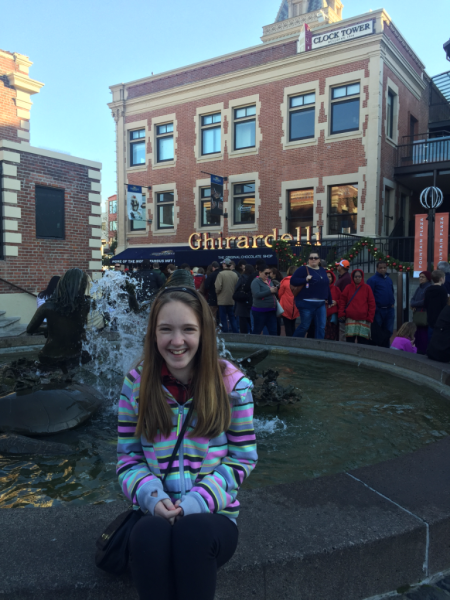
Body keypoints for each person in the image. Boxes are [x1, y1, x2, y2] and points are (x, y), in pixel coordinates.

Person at [117, 286, 257, 600]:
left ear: (204, 333)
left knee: (192, 534)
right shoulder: (136, 384)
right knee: (149, 535)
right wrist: (151, 497)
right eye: (166, 329)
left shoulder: (233, 385)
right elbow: (128, 459)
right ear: (153, 334)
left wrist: (197, 502)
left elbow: (243, 458)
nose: (177, 341)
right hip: (154, 512)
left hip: (213, 517)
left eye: (188, 330)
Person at [27, 268, 90, 365]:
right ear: (83, 286)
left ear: (62, 284)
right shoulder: (86, 304)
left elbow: (30, 329)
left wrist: (48, 329)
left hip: (50, 356)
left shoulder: (48, 306)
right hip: (75, 355)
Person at [290, 252, 332, 339]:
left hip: (320, 303)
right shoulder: (303, 269)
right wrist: (305, 279)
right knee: (305, 326)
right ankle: (293, 343)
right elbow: (293, 281)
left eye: (315, 258)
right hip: (306, 303)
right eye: (311, 258)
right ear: (308, 260)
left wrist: (329, 299)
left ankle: (318, 347)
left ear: (319, 260)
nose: (313, 259)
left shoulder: (322, 270)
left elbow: (326, 285)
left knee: (321, 327)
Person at [338, 269, 375, 344]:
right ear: (352, 277)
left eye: (359, 276)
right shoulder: (348, 287)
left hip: (364, 320)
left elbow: (372, 303)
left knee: (363, 342)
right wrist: (341, 313)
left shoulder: (367, 288)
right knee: (350, 341)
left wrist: (370, 317)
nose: (357, 278)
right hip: (350, 319)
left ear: (362, 277)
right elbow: (342, 301)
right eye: (355, 276)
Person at [366, 261, 395, 347]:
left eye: (384, 268)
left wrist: (392, 303)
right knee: (377, 330)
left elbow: (392, 291)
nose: (383, 269)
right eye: (380, 268)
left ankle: (386, 347)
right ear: (377, 269)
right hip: (379, 309)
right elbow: (369, 295)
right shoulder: (372, 280)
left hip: (389, 309)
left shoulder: (389, 279)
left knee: (389, 330)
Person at [251, 263, 278, 336]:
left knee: (273, 331)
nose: (267, 275)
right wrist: (270, 291)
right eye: (266, 273)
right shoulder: (256, 281)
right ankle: (254, 345)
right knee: (257, 331)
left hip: (271, 310)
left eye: (269, 273)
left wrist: (275, 291)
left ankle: (272, 346)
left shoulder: (269, 281)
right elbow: (256, 294)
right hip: (260, 311)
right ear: (260, 272)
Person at [410, 271, 432, 354]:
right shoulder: (419, 288)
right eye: (420, 277)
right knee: (417, 333)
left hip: (423, 315)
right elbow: (413, 298)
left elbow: (424, 301)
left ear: (427, 278)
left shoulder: (428, 288)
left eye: (423, 277)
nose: (420, 278)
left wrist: (413, 304)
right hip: (417, 314)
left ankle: (423, 350)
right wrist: (412, 303)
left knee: (423, 335)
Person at [215, 259, 239, 333]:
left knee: (223, 317)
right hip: (232, 300)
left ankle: (225, 331)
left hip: (222, 299)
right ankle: (235, 331)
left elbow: (218, 287)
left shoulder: (221, 274)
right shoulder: (235, 274)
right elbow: (237, 286)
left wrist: (217, 293)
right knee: (232, 317)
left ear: (225, 265)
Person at [424, 270, 448, 341]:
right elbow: (444, 305)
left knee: (430, 338)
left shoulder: (428, 289)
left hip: (430, 317)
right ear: (441, 279)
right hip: (440, 318)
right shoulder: (443, 290)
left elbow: (425, 303)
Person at [278, 265, 299, 337]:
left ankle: (288, 342)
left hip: (285, 306)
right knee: (293, 325)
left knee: (287, 326)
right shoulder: (299, 281)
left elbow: (280, 294)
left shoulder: (284, 281)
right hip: (295, 305)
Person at [233, 264, 254, 334]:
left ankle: (244, 338)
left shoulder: (242, 278)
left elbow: (236, 288)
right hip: (251, 301)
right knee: (251, 321)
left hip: (242, 302)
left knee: (243, 322)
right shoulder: (254, 278)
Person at [325, 270, 341, 341]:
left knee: (333, 333)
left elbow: (341, 300)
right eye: (326, 277)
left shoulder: (336, 289)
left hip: (333, 315)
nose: (328, 278)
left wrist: (336, 302)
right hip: (323, 314)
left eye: (330, 277)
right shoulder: (320, 289)